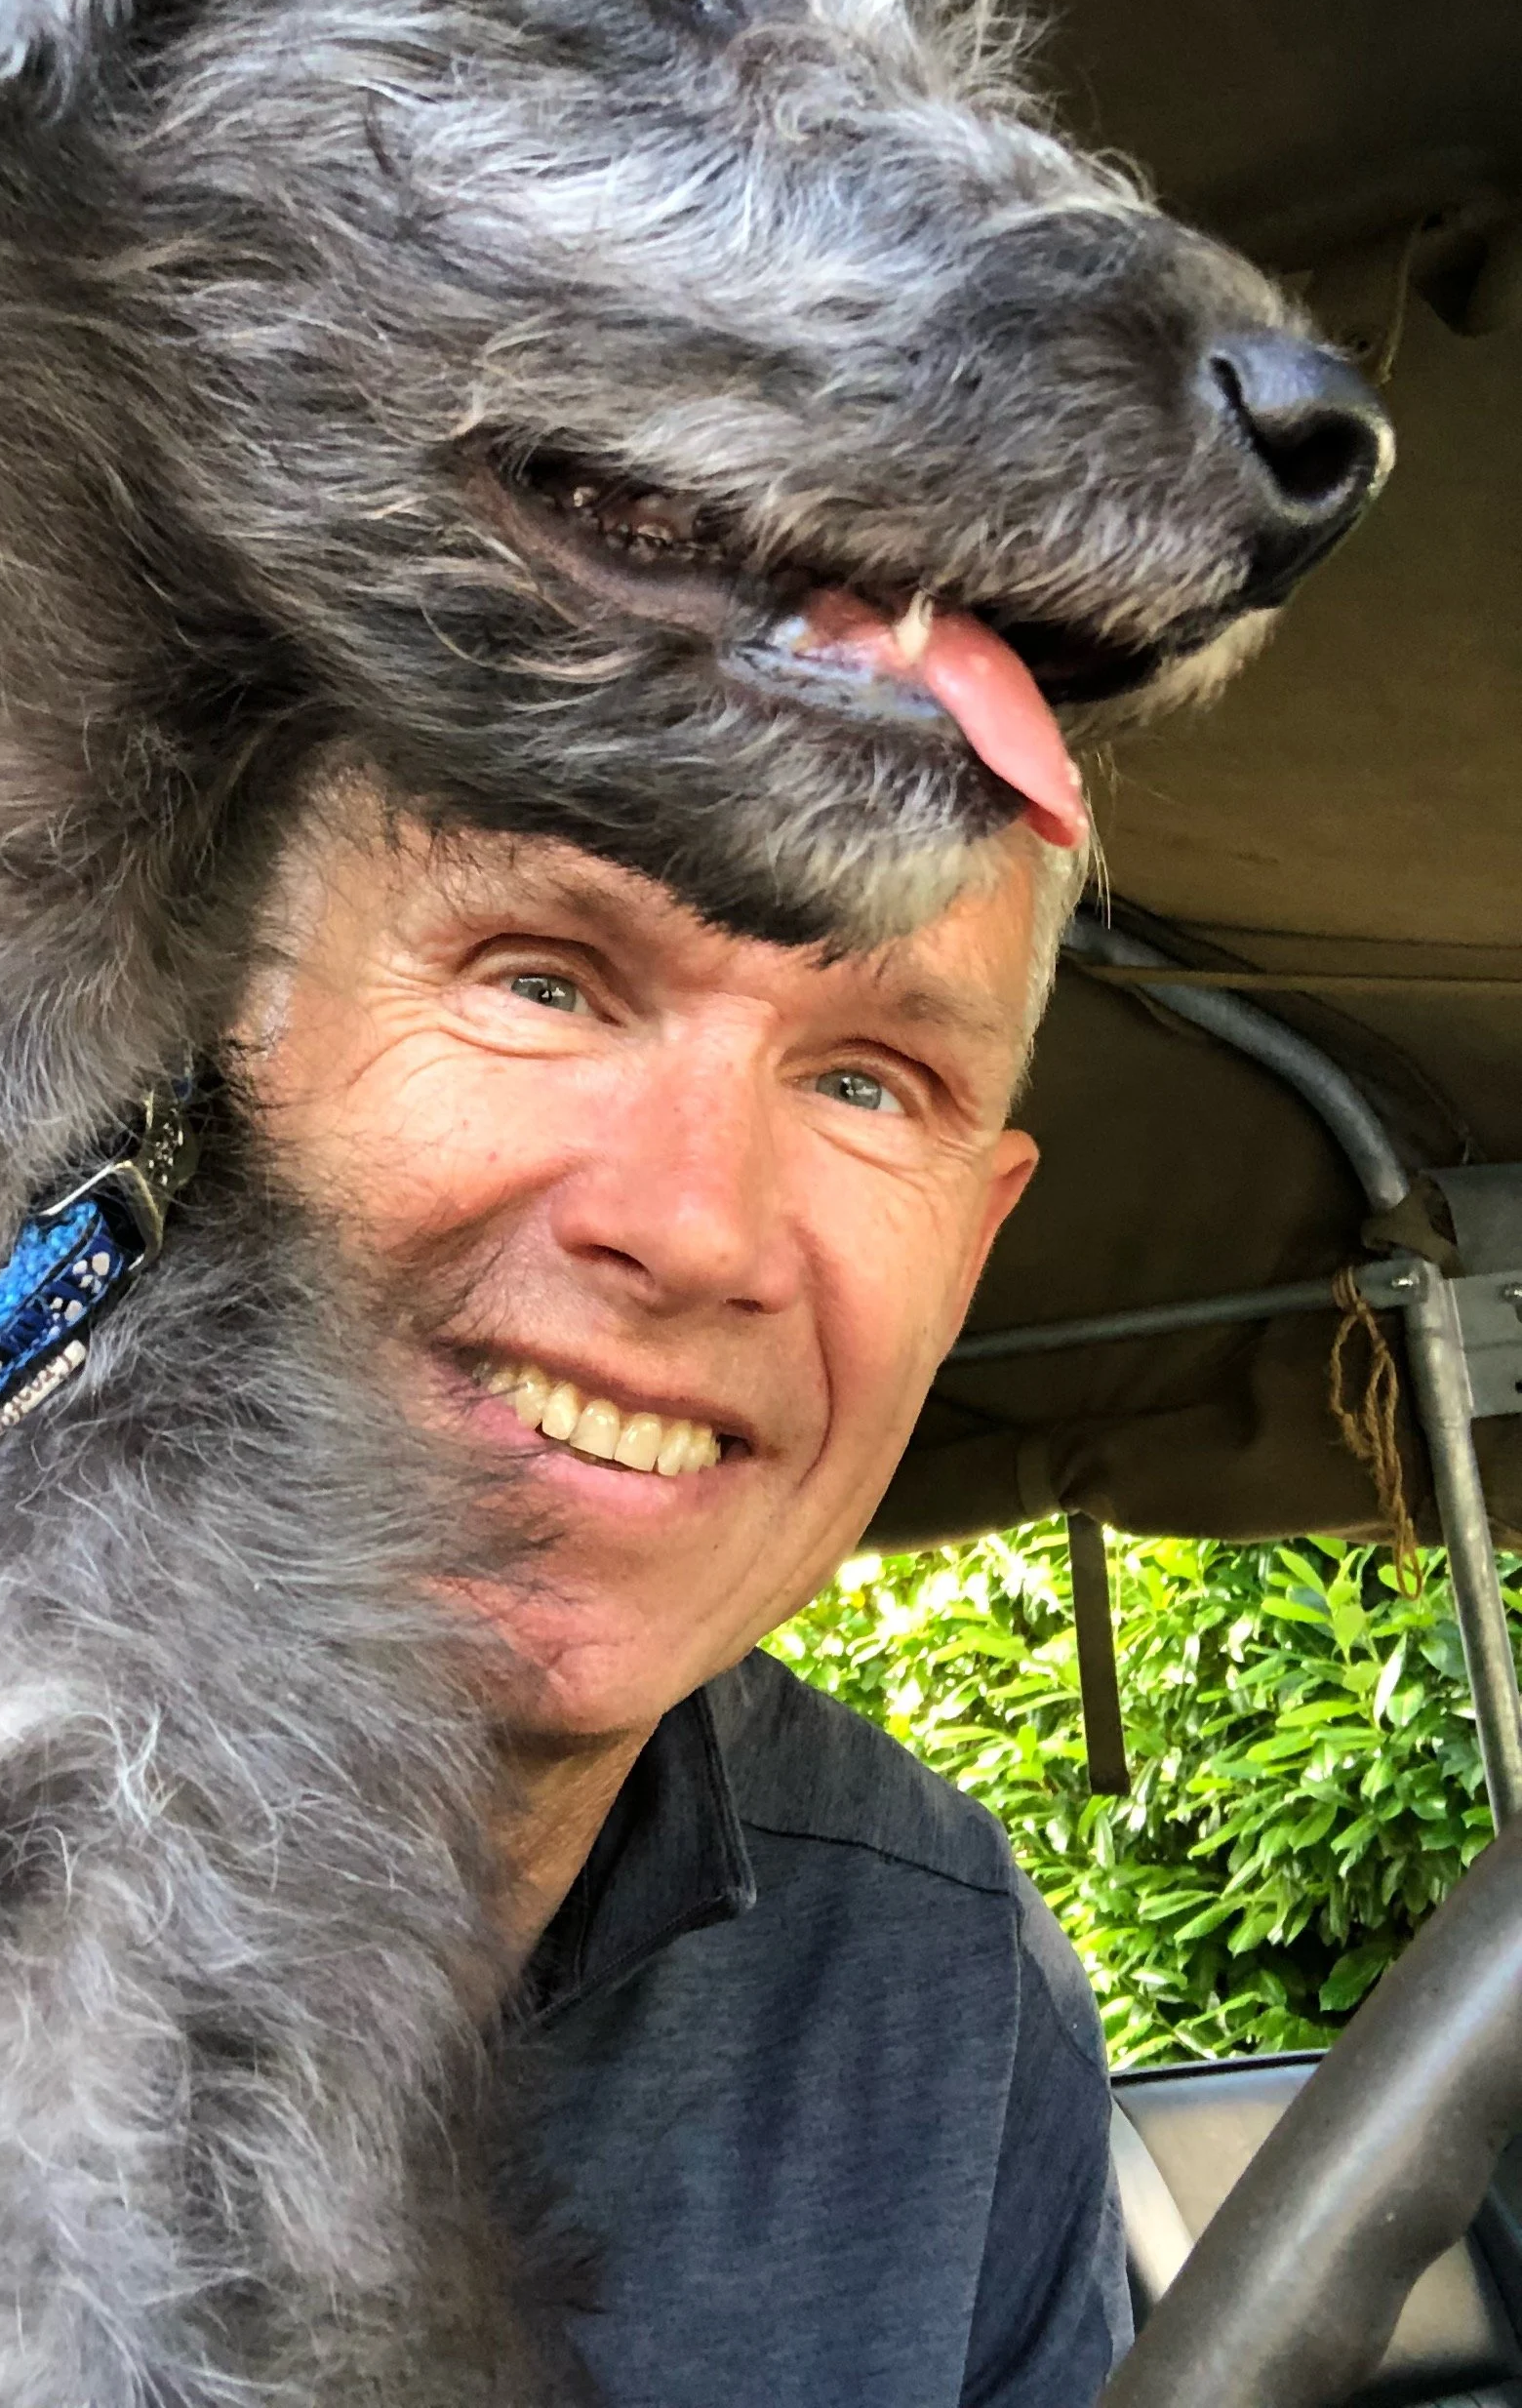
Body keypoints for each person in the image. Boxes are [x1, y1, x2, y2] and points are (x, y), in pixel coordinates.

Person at [236, 784, 1122, 2408]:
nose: (698, 1228)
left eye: (869, 1081)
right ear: (201, 1023)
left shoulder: (936, 1991)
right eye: (544, 978)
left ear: (972, 1256)